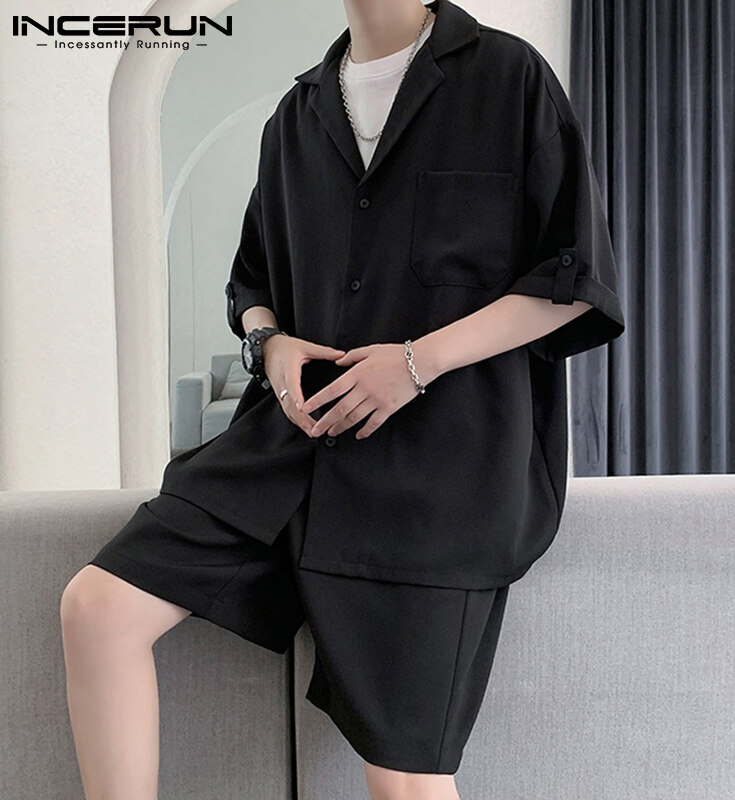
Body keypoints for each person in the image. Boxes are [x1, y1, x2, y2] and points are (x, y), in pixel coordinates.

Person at [60, 1, 625, 798]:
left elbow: (574, 281)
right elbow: (251, 283)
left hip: (439, 477)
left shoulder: (508, 78)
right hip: (290, 449)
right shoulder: (297, 114)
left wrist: (417, 362)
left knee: (403, 780)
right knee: (97, 608)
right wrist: (270, 343)